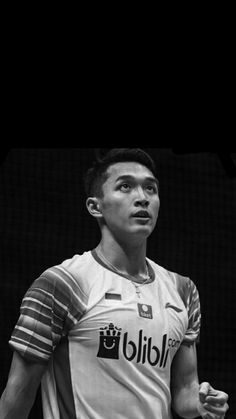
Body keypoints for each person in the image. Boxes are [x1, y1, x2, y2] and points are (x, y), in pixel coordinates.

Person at [0, 148, 229, 419]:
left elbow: (184, 392)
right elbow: (17, 396)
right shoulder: (62, 284)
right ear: (95, 206)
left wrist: (201, 401)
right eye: (125, 187)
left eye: (151, 189)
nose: (142, 198)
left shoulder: (183, 290)